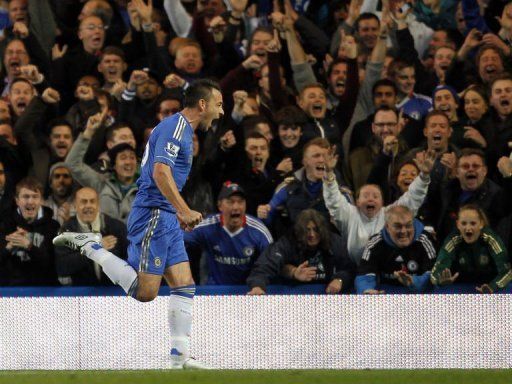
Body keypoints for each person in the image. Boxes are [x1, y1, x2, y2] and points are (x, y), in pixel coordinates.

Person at [53, 79, 224, 369]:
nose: (221, 112)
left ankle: (180, 359)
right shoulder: (176, 127)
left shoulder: (181, 130)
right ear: (203, 104)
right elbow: (160, 173)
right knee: (146, 293)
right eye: (219, 105)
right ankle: (92, 247)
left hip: (165, 215)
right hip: (153, 213)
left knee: (185, 284)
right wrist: (183, 210)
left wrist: (175, 212)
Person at [247, 209, 355, 295]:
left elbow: (350, 268)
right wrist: (257, 286)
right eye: (307, 230)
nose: (312, 235)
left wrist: (340, 280)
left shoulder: (335, 242)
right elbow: (265, 265)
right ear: (298, 231)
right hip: (293, 293)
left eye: (316, 229)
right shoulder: (287, 242)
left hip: (327, 294)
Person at [184, 182, 273, 285]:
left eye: (240, 202)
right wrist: (185, 277)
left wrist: (259, 283)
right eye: (231, 202)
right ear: (219, 205)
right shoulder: (207, 226)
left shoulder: (259, 231)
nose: (236, 207)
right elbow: (177, 242)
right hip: (215, 291)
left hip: (248, 291)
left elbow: (272, 260)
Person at [355, 205, 437, 294]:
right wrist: (366, 290)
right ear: (387, 227)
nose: (403, 231)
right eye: (397, 226)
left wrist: (414, 281)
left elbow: (432, 273)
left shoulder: (425, 240)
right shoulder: (375, 243)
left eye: (408, 225)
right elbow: (365, 273)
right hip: (385, 294)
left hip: (417, 295)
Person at [55, 187, 127, 286]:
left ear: (98, 205)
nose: (88, 205)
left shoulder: (117, 227)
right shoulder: (65, 231)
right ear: (75, 206)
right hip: (81, 295)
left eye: (92, 201)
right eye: (83, 202)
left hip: (113, 293)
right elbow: (62, 267)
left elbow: (129, 263)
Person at [431, 205, 512, 293]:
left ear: (481, 224)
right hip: (461, 285)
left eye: (473, 223)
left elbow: (507, 272)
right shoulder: (453, 240)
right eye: (463, 223)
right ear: (458, 224)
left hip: (490, 284)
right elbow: (434, 274)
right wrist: (440, 281)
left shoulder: (491, 239)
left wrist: (492, 287)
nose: (468, 228)